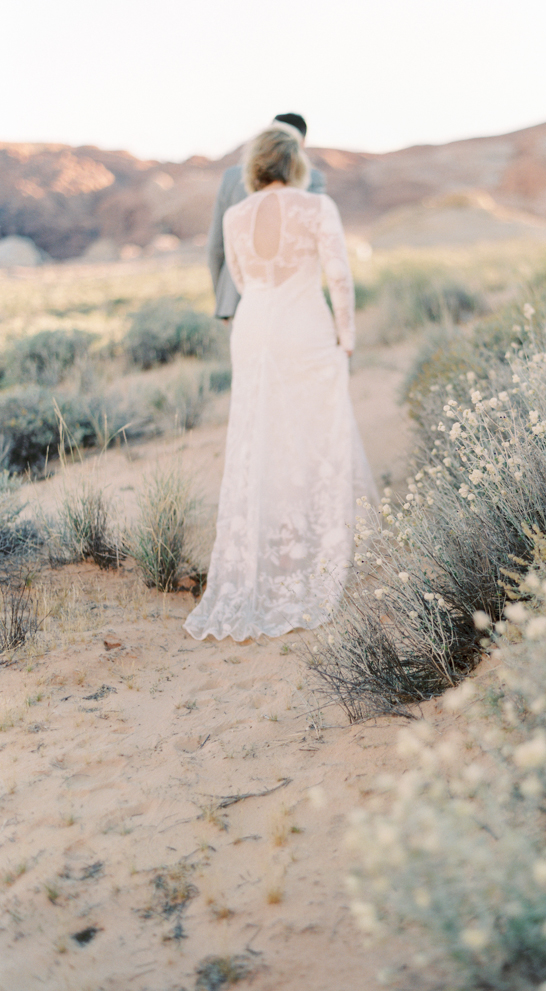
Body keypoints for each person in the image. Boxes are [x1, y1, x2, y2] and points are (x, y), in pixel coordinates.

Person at [185, 126, 377, 642]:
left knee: (259, 436)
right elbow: (338, 276)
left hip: (254, 327)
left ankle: (270, 553)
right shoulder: (316, 207)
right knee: (314, 431)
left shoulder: (235, 214)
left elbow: (243, 280)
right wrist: (347, 336)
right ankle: (312, 547)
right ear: (296, 163)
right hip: (304, 327)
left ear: (254, 165)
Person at [208, 113, 326, 321]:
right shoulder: (312, 179)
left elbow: (216, 247)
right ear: (301, 143)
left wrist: (223, 297)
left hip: (236, 301)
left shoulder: (231, 177)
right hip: (293, 297)